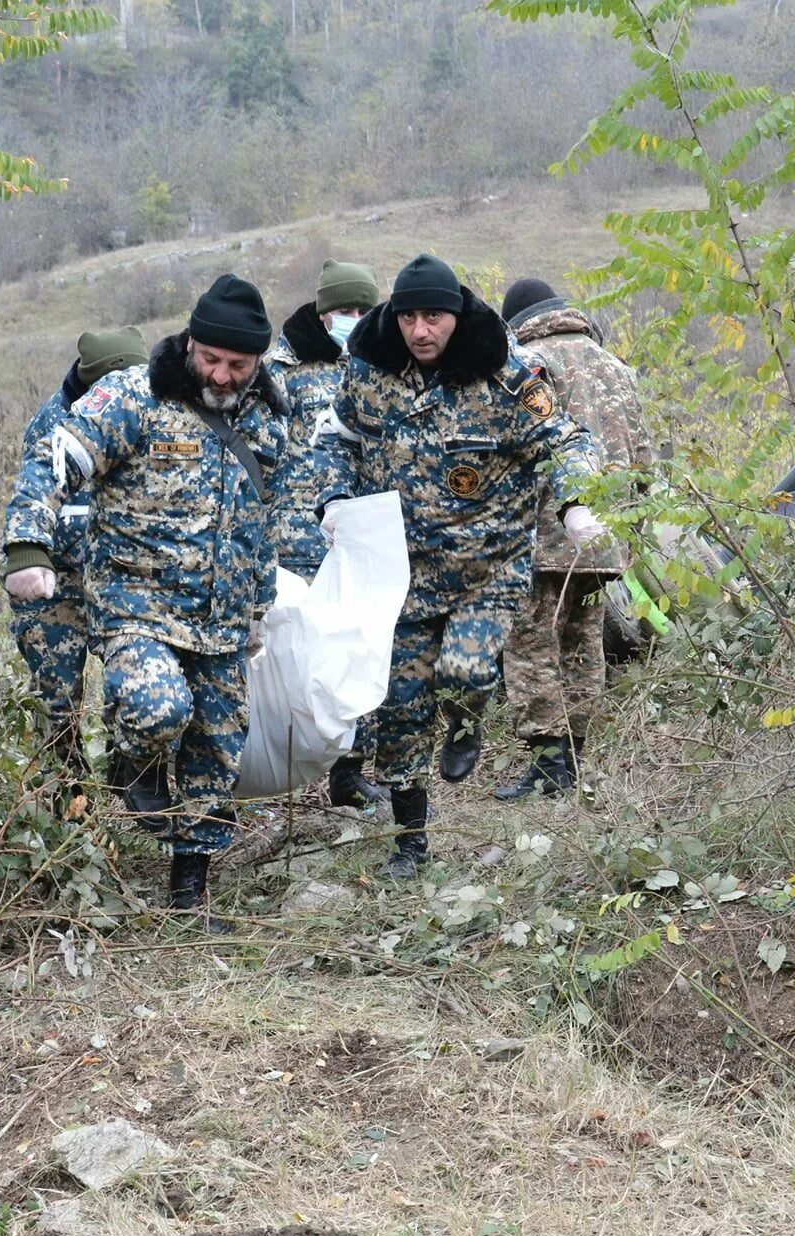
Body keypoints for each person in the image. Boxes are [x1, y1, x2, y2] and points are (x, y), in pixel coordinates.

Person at [314, 254, 606, 879]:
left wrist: (577, 503)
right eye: (410, 317)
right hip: (401, 572)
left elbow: (569, 440)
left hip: (487, 568)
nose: (421, 331)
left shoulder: (509, 374)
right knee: (398, 709)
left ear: (458, 315)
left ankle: (468, 719)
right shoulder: (369, 374)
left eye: (435, 318)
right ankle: (410, 843)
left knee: (467, 671)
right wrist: (333, 498)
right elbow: (335, 439)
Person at [2, 274, 285, 915]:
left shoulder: (271, 412)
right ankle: (134, 760)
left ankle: (190, 889)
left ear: (258, 360)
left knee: (218, 753)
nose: (220, 375)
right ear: (189, 343)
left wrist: (261, 604)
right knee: (160, 709)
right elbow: (54, 458)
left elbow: (261, 516)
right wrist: (27, 546)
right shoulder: (131, 397)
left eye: (237, 365)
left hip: (225, 616)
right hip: (137, 606)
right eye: (210, 360)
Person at [494, 279, 655, 799]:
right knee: (583, 639)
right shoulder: (618, 368)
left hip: (545, 535)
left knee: (532, 641)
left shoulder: (528, 365)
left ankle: (547, 766)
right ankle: (574, 757)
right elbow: (646, 461)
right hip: (605, 538)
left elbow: (513, 452)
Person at [2, 327, 147, 810]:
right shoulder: (54, 426)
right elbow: (39, 501)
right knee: (56, 697)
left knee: (133, 686)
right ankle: (70, 801)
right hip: (57, 583)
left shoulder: (150, 415)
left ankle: (131, 779)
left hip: (122, 579)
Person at [267, 259, 390, 810]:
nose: (355, 319)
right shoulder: (279, 370)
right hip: (289, 540)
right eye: (345, 310)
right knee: (288, 658)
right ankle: (274, 765)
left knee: (355, 651)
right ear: (322, 313)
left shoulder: (378, 367)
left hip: (352, 537)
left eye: (364, 310)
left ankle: (349, 772)